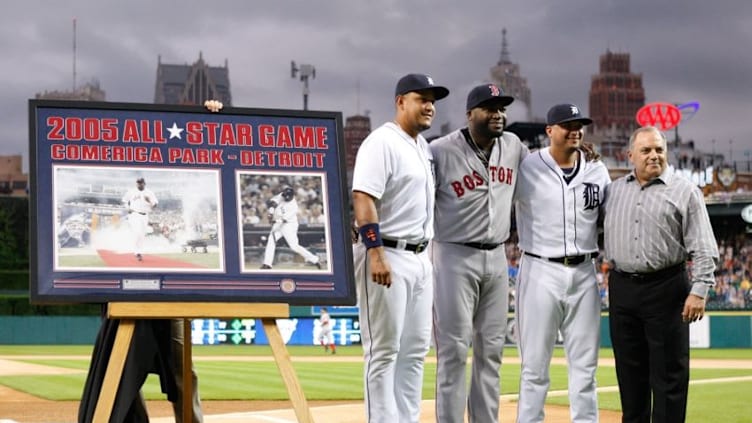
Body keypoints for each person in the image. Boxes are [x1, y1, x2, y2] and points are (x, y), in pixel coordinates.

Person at [604, 126, 719, 423]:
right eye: (646, 150)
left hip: (667, 287)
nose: (654, 155)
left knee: (669, 378)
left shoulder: (685, 191)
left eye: (659, 149)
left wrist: (700, 289)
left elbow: (705, 246)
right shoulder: (614, 190)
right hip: (623, 288)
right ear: (630, 155)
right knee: (630, 378)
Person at [351, 73, 449, 423]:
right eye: (421, 98)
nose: (429, 106)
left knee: (414, 352)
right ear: (400, 102)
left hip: (421, 257)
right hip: (387, 253)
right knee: (383, 352)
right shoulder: (381, 142)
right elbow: (363, 196)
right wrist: (375, 252)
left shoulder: (423, 147)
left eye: (432, 101)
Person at [430, 83, 528, 423]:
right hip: (453, 255)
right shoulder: (440, 150)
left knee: (492, 352)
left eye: (501, 108)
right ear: (470, 114)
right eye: (489, 108)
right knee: (454, 351)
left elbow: (544, 173)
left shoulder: (514, 146)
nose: (498, 114)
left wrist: (578, 154)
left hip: (498, 256)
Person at [514, 103, 611, 423]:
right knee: (534, 368)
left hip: (585, 271)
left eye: (579, 124)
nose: (575, 129)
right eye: (567, 124)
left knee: (585, 370)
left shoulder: (598, 169)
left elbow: (610, 219)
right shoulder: (526, 166)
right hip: (540, 268)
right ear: (549, 131)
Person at [260, 185, 322, 269]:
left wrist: (274, 221)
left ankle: (314, 259)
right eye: (285, 196)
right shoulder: (283, 194)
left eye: (287, 197)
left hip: (289, 225)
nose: (285, 198)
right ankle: (267, 264)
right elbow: (273, 203)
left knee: (294, 246)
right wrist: (270, 213)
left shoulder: (294, 207)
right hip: (278, 223)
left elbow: (284, 220)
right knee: (271, 240)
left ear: (292, 196)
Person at [121, 177, 157, 261]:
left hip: (145, 215)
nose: (139, 184)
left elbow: (155, 205)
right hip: (134, 214)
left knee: (142, 235)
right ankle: (137, 252)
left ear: (144, 183)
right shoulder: (131, 191)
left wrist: (149, 201)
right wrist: (127, 208)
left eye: (140, 183)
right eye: (137, 183)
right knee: (137, 232)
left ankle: (139, 251)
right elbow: (124, 201)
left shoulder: (149, 193)